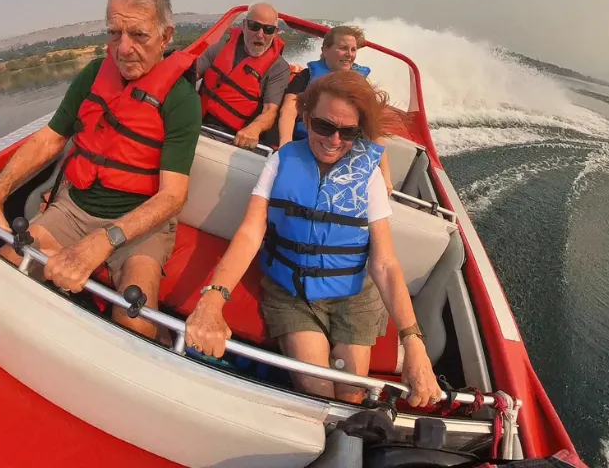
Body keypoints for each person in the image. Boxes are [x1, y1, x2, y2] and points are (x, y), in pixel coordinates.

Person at [0, 0, 202, 343]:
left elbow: (172, 196)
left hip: (139, 221)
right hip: (74, 208)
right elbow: (48, 140)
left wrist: (101, 242)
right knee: (8, 272)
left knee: (136, 324)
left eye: (138, 35)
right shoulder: (93, 75)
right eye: (113, 33)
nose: (123, 48)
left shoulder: (182, 101)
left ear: (166, 37)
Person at [182, 70, 441, 408]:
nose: (334, 140)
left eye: (348, 132)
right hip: (293, 291)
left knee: (350, 396)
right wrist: (212, 299)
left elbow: (386, 263)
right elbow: (250, 233)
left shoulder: (369, 177)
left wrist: (413, 342)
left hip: (354, 295)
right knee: (318, 395)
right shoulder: (282, 161)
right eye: (323, 127)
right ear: (306, 119)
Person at [278, 25, 393, 194]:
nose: (350, 54)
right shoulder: (306, 77)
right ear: (325, 50)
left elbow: (375, 131)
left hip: (342, 151)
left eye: (353, 49)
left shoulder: (361, 87)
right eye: (343, 48)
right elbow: (289, 110)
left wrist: (385, 175)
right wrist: (285, 148)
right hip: (307, 144)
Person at [196, 2, 292, 150]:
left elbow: (270, 111)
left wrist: (255, 128)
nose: (260, 35)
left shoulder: (278, 69)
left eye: (268, 29)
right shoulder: (220, 48)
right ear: (244, 25)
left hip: (234, 138)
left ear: (275, 32)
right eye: (254, 26)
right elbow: (190, 74)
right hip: (196, 121)